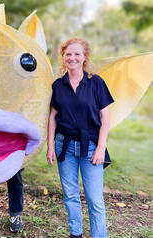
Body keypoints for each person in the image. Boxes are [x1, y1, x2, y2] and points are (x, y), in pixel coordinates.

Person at [46, 38, 114, 238]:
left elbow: (105, 116)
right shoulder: (58, 85)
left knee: (94, 199)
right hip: (63, 146)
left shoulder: (96, 82)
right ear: (63, 57)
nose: (72, 58)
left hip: (91, 147)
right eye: (68, 54)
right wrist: (50, 146)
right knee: (70, 196)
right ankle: (75, 233)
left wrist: (101, 147)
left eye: (77, 54)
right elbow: (52, 117)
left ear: (85, 57)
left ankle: (99, 235)